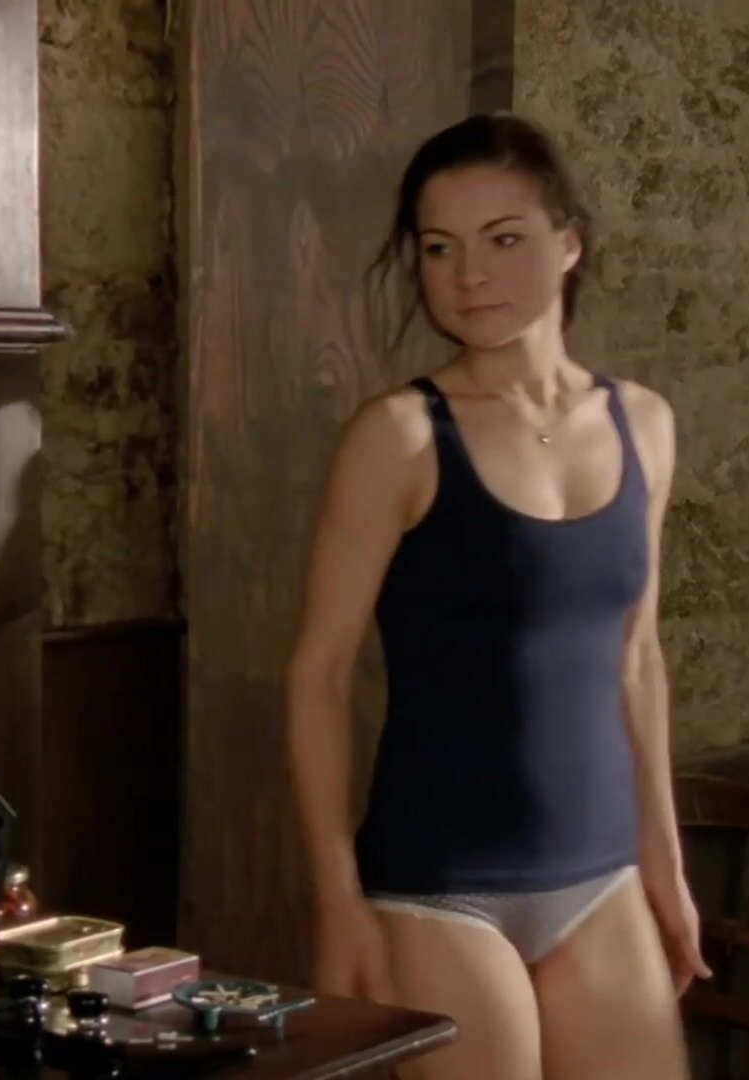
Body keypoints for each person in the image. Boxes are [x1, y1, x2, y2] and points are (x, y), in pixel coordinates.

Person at [285, 113, 709, 1079]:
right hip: (438, 888)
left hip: (601, 877)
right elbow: (318, 675)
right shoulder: (398, 437)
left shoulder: (644, 423)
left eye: (503, 239)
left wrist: (666, 865)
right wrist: (338, 904)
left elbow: (637, 660)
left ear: (570, 243)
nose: (469, 275)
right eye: (440, 248)